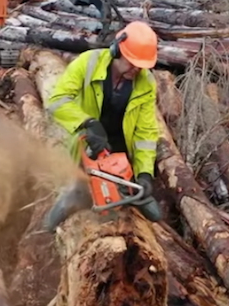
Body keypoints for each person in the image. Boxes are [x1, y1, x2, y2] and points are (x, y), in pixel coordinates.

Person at [42, 20, 163, 229]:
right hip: (89, 141)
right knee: (77, 194)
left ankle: (125, 195)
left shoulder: (146, 82)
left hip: (121, 151)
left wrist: (144, 173)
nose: (136, 69)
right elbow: (57, 100)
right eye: (132, 62)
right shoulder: (88, 63)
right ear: (117, 50)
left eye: (141, 65)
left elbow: (146, 132)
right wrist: (87, 122)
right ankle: (47, 229)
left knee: (153, 213)